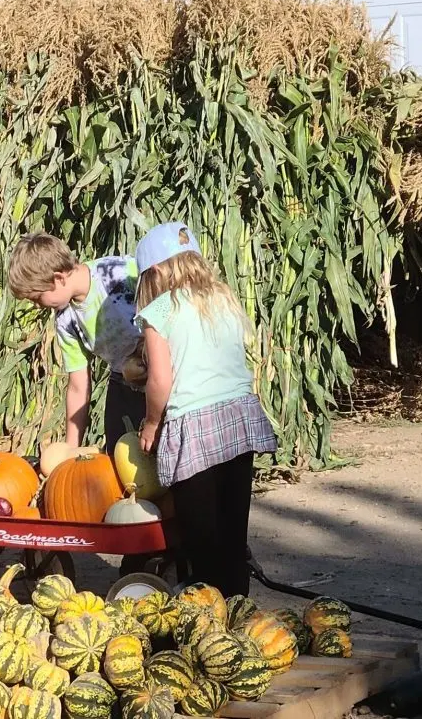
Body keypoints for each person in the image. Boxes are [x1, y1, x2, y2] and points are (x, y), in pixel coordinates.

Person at [134, 221, 277, 596]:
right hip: (238, 417)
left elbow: (160, 381)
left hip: (195, 426)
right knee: (232, 536)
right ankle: (237, 613)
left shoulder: (159, 309)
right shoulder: (222, 295)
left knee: (202, 540)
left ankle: (207, 619)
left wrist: (151, 423)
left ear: (158, 271)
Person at [8, 232, 145, 453]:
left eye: (36, 298)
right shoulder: (66, 319)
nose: (36, 306)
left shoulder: (117, 273)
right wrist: (72, 449)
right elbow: (78, 385)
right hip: (124, 378)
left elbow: (166, 294)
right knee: (118, 453)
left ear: (59, 278)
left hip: (163, 367)